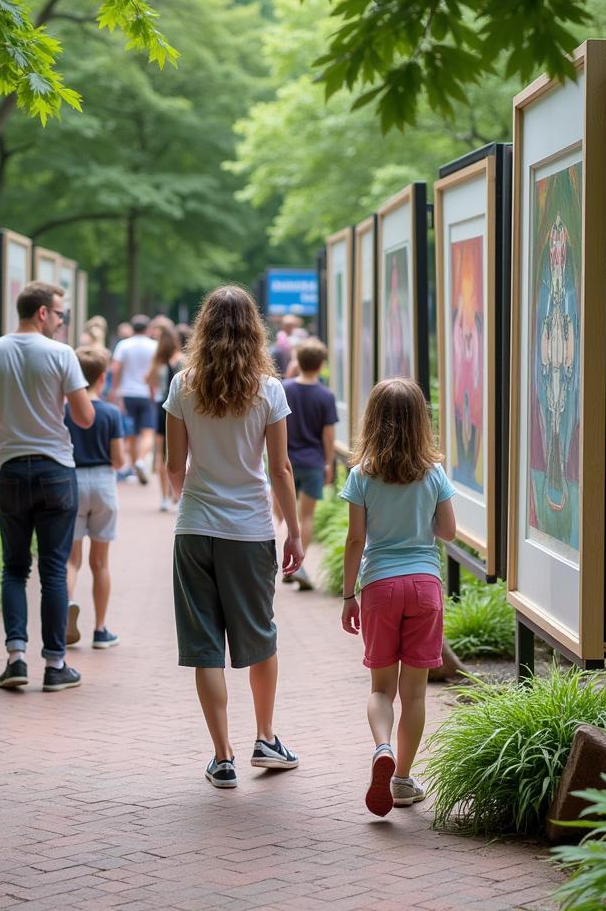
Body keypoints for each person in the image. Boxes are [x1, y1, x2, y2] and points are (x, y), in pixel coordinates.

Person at [164, 285, 304, 790]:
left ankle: (222, 757)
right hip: (249, 530)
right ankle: (265, 737)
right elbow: (282, 468)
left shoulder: (184, 384)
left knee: (205, 645)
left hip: (196, 527)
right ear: (254, 330)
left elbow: (173, 468)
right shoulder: (269, 389)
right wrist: (293, 531)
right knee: (259, 635)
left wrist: (194, 499)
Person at [339, 378, 456, 817]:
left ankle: (381, 747)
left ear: (372, 420)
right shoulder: (434, 473)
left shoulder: (361, 475)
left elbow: (355, 540)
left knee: (381, 689)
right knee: (416, 693)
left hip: (380, 588)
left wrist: (349, 595)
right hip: (424, 586)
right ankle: (403, 779)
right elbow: (447, 530)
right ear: (420, 421)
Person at [0, 281, 94, 693]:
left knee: (14, 568)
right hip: (56, 471)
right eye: (59, 314)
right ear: (42, 312)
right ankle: (56, 665)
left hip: (10, 472)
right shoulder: (61, 355)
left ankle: (16, 658)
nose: (61, 322)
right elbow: (86, 417)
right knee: (54, 569)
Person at [64, 347, 125, 650]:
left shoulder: (64, 410)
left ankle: (66, 610)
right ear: (103, 376)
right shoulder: (111, 413)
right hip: (102, 483)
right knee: (100, 562)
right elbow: (119, 460)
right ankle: (100, 630)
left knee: (71, 560)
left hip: (71, 481)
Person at [282, 338, 338, 591]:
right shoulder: (326, 396)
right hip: (313, 462)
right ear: (321, 364)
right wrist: (328, 463)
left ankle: (285, 562)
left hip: (286, 461)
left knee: (285, 513)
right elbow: (328, 435)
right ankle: (299, 565)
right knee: (306, 516)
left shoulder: (285, 389)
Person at [111, 314, 158, 484]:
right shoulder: (154, 346)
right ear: (148, 329)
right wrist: (153, 390)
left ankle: (132, 469)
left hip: (127, 393)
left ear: (132, 328)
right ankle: (140, 460)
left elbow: (115, 368)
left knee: (130, 433)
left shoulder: (124, 345)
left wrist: (116, 390)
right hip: (146, 393)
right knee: (148, 432)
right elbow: (156, 372)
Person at [147, 325, 184, 512]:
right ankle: (175, 493)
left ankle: (163, 496)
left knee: (160, 453)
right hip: (178, 407)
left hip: (161, 407)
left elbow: (149, 381)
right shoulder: (182, 360)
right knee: (180, 450)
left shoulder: (158, 362)